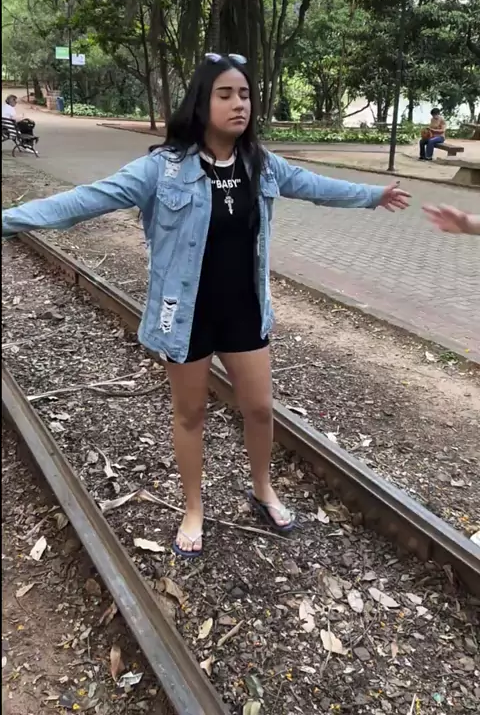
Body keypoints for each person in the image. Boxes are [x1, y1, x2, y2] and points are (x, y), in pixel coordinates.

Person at [2, 53, 411, 558]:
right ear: (201, 102)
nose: (239, 104)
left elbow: (316, 187)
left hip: (244, 311)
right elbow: (85, 200)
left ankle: (262, 489)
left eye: (245, 95)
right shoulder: (162, 169)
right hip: (186, 316)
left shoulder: (260, 164)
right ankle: (193, 508)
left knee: (259, 408)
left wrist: (372, 195)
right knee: (190, 414)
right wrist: (9, 220)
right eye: (225, 94)